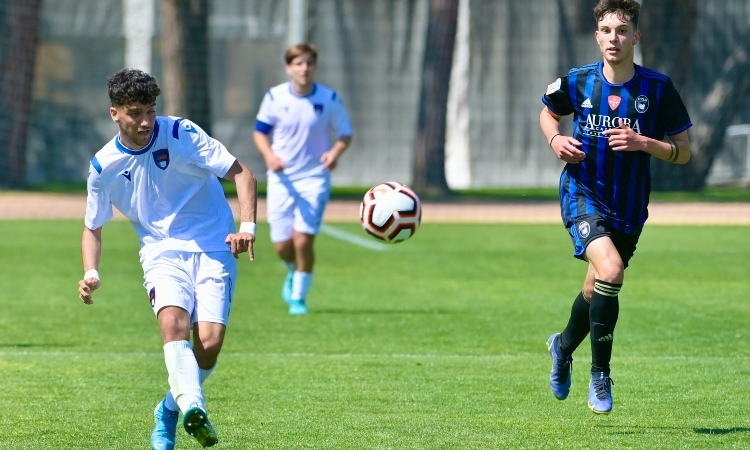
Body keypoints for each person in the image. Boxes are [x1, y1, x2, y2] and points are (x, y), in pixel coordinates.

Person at [77, 68, 258, 449]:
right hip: (161, 252)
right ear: (115, 114)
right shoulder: (102, 166)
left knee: (208, 344)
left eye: (150, 111)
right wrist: (91, 271)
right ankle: (194, 406)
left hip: (213, 245)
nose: (145, 121)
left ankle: (168, 410)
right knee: (173, 325)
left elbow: (242, 174)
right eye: (135, 112)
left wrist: (248, 227)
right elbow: (93, 226)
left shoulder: (181, 134)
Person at [539, 0, 692, 414]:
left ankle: (562, 345)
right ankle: (600, 375)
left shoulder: (658, 88)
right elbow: (548, 114)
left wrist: (645, 143)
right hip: (582, 192)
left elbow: (683, 153)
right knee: (611, 270)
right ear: (597, 36)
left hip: (628, 206)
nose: (614, 38)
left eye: (622, 30)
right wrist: (556, 140)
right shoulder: (577, 81)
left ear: (636, 37)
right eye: (606, 30)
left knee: (596, 287)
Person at [253, 43, 353, 315]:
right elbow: (260, 132)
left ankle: (298, 298)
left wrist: (334, 152)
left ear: (315, 67)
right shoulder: (275, 98)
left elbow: (345, 133)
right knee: (282, 245)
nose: (304, 68)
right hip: (281, 179)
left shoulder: (328, 98)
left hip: (314, 179)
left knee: (303, 240)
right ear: (289, 68)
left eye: (309, 63)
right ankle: (293, 270)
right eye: (298, 63)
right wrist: (269, 156)